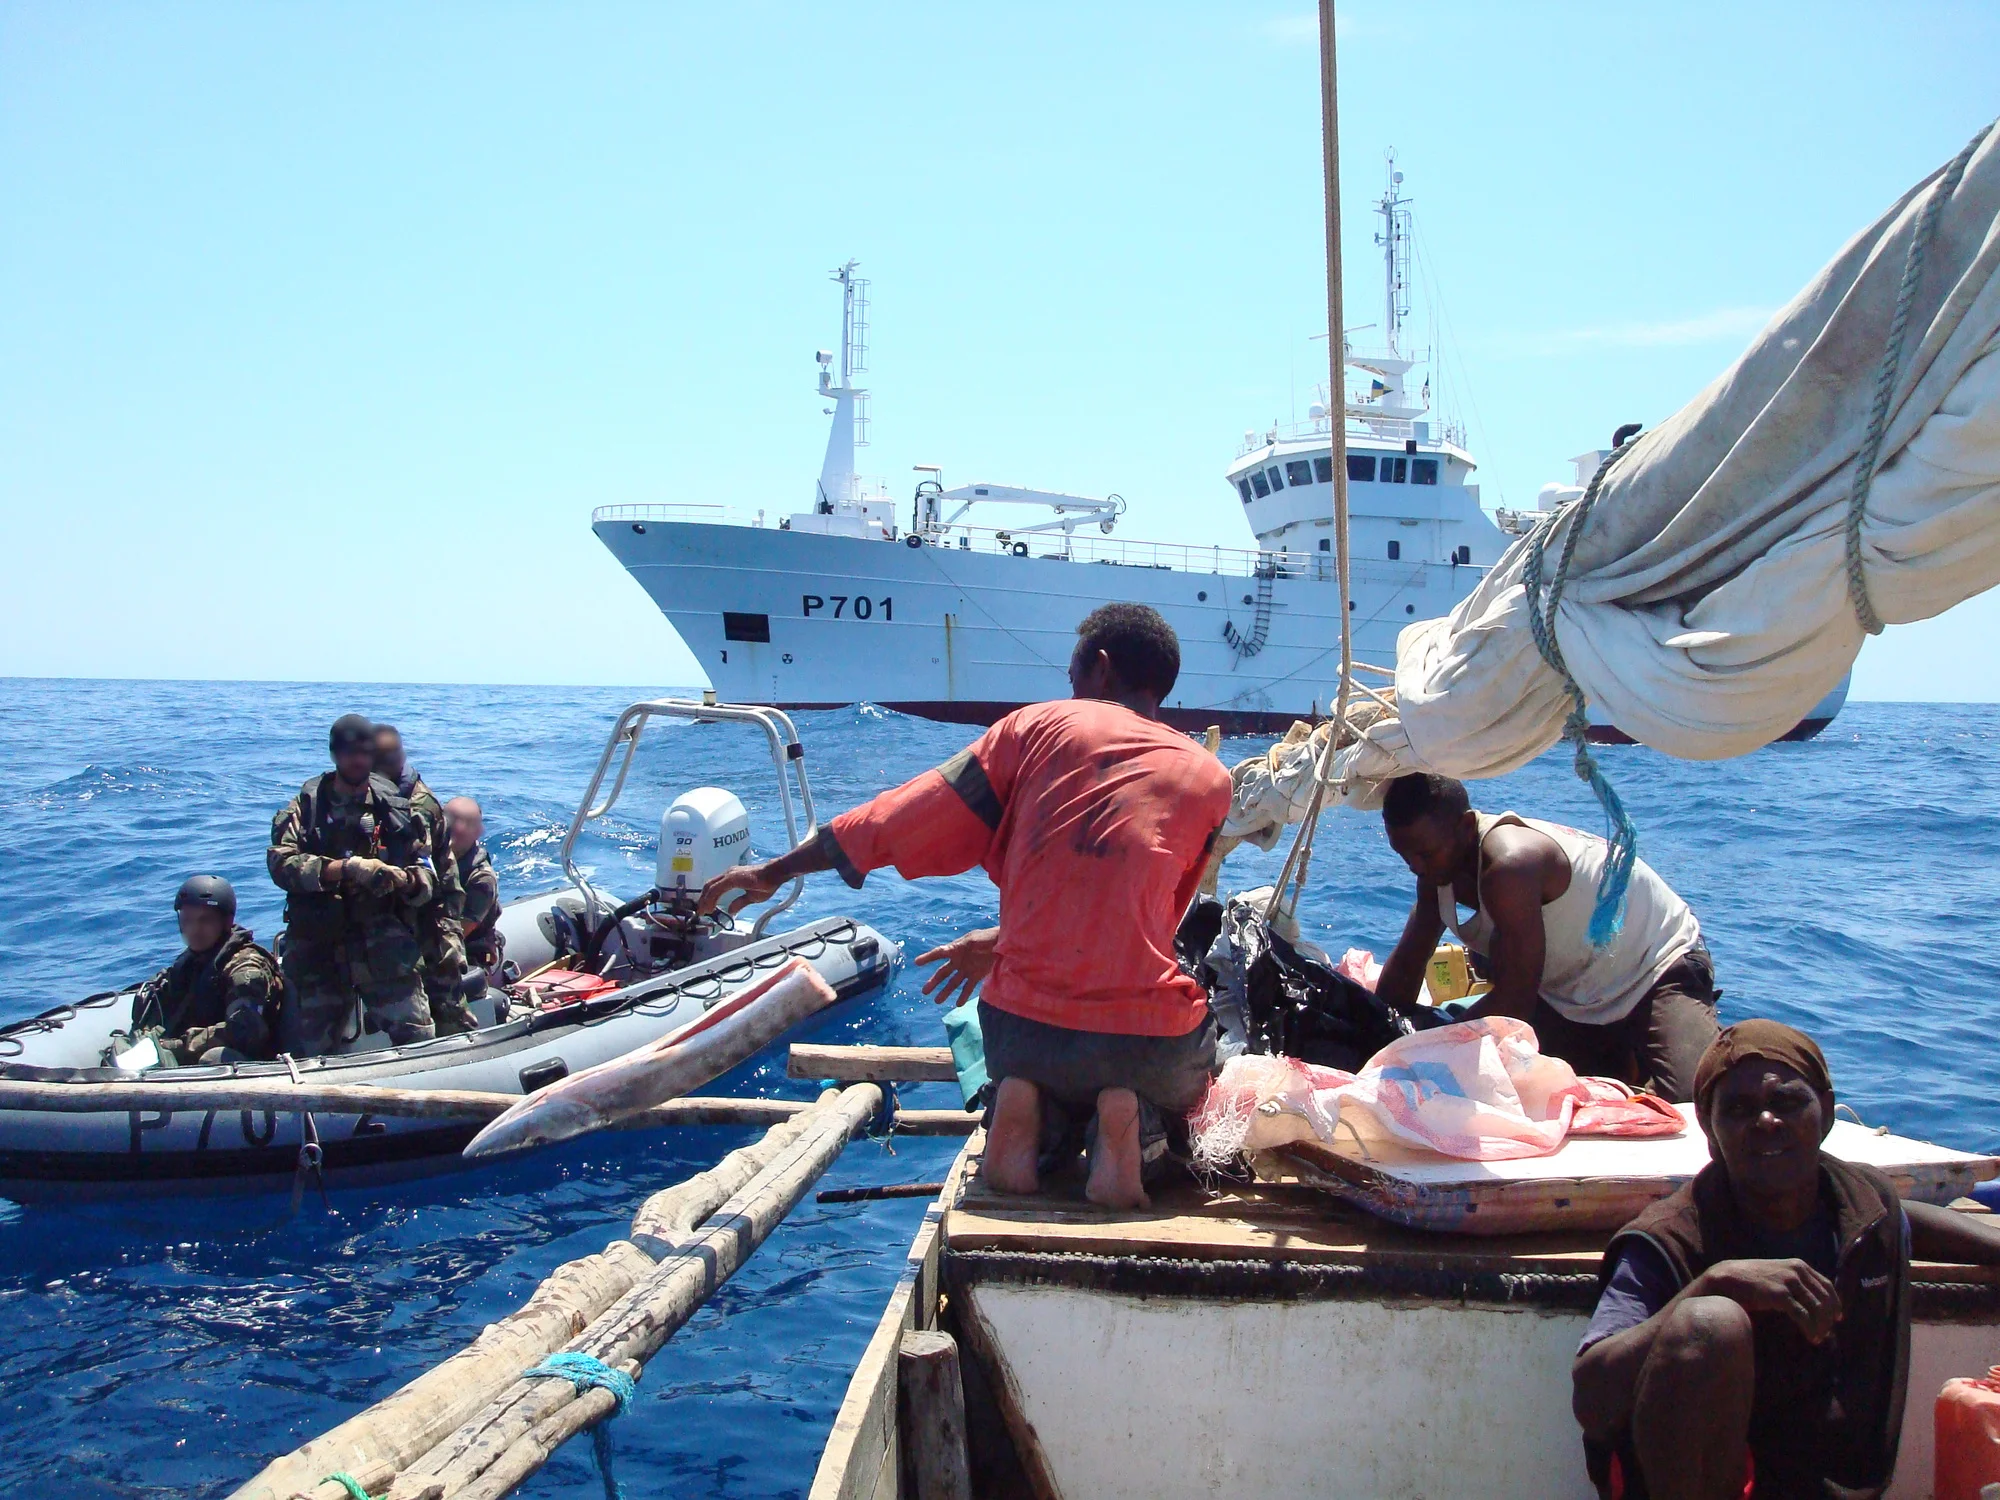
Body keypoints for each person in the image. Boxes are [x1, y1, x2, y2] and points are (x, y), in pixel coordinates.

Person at [698, 603, 1232, 1210]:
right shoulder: (1210, 778)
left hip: (1023, 1034)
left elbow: (897, 818)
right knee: (1194, 1073)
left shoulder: (1034, 727)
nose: (1070, 691)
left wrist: (772, 871)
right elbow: (1145, 924)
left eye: (1073, 675)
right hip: (1146, 1044)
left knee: (1016, 1049)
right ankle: (1134, 1129)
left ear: (1101, 669)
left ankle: (1024, 1114)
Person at [1572, 1020, 2000, 1500]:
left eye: (1787, 1102)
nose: (1766, 1121)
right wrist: (1717, 1285)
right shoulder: (1668, 1239)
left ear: (1828, 1113)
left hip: (1832, 1487)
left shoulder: (1866, 1205)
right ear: (1710, 1131)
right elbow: (1591, 1399)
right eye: (1738, 1109)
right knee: (1709, 1323)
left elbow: (1906, 1219)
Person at [1372, 772, 1719, 1102]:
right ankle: (1619, 1053)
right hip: (1570, 992)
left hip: (1655, 968)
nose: (1415, 867)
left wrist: (1423, 1051)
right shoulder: (1436, 870)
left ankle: (1644, 1044)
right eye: (1403, 854)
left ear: (1465, 826)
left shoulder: (1511, 865)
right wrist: (1379, 1038)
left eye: (1424, 853)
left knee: (1695, 1098)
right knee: (1544, 1090)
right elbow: (1406, 968)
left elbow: (1514, 1004)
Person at [268, 714, 438, 1053]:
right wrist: (344, 869)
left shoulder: (395, 808)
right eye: (349, 753)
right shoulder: (308, 807)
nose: (357, 760)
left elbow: (427, 875)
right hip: (319, 945)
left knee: (418, 1039)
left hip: (382, 943)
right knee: (310, 1049)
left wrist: (403, 880)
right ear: (335, 754)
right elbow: (281, 864)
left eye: (364, 752)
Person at [373, 723, 473, 1035]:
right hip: (404, 912)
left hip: (434, 912)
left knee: (446, 1000)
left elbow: (422, 868)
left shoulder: (417, 805)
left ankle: (461, 1046)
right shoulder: (380, 795)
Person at [129, 876, 278, 1064]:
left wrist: (175, 1047)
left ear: (225, 921)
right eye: (187, 920)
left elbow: (244, 1030)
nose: (194, 929)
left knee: (213, 1058)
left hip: (243, 1064)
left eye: (205, 920)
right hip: (188, 1058)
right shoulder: (192, 962)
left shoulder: (245, 967)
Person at [445, 795, 503, 980]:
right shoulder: (438, 860)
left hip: (467, 956)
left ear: (477, 831)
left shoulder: (481, 879)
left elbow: (460, 931)